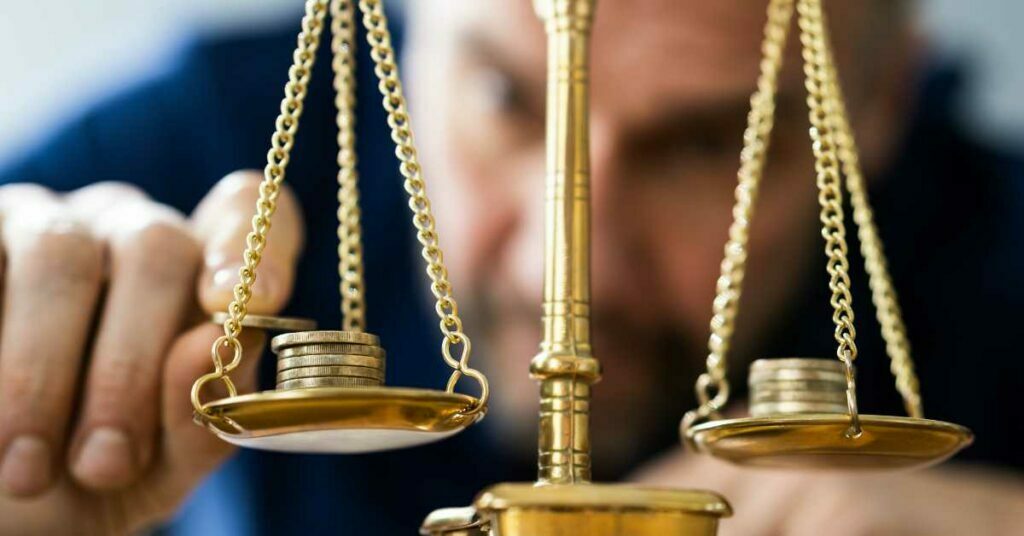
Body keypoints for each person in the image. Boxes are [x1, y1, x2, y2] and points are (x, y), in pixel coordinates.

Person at [1, 0, 1023, 534]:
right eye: (503, 98)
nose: (560, 267)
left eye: (708, 142)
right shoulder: (216, 146)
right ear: (409, 30)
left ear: (883, 97)